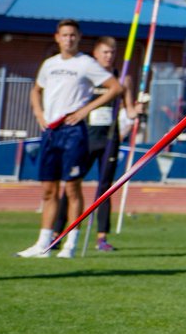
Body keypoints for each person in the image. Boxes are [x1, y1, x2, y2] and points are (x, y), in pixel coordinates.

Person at [17, 20, 123, 260]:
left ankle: (70, 243)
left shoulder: (86, 63)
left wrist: (85, 110)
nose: (69, 39)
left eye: (73, 35)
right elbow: (36, 90)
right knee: (48, 190)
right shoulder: (49, 64)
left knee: (72, 188)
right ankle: (43, 243)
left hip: (73, 131)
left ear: (79, 37)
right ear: (57, 37)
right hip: (51, 131)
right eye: (64, 35)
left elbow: (115, 87)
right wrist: (39, 114)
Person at [52, 36, 137, 252]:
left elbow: (130, 110)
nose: (109, 56)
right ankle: (57, 233)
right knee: (72, 184)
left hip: (110, 138)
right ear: (96, 55)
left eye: (112, 53)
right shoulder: (87, 77)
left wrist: (140, 108)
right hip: (86, 137)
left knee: (105, 188)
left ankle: (101, 237)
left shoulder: (122, 78)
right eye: (105, 52)